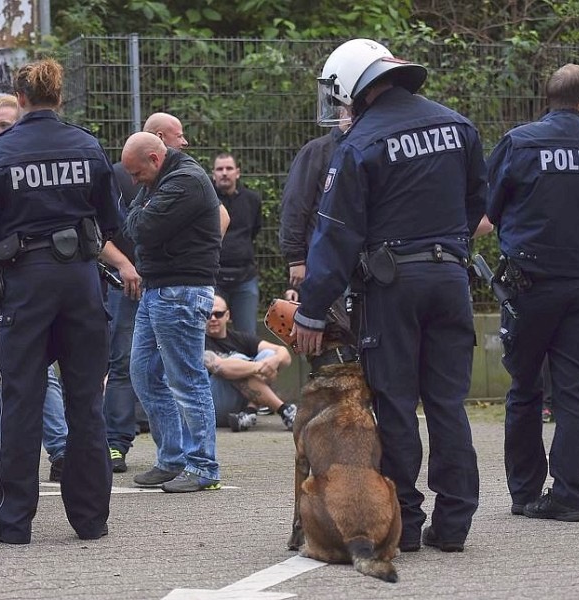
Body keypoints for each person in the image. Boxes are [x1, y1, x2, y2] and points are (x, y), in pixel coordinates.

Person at [293, 39, 485, 553]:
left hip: (392, 285)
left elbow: (335, 234)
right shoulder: (458, 126)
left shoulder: (361, 142)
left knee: (397, 402)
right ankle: (455, 523)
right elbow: (477, 203)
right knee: (448, 402)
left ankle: (404, 518)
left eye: (339, 96)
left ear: (356, 84)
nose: (339, 107)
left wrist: (312, 310)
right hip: (450, 278)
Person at [0, 58, 118, 544]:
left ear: (20, 99)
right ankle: (90, 521)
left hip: (26, 282)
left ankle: (13, 524)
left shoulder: (0, 150)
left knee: (21, 398)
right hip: (81, 281)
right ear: (59, 98)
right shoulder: (87, 145)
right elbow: (113, 220)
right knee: (85, 402)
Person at [487, 63, 579, 523]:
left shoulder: (519, 143)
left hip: (527, 287)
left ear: (548, 98)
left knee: (525, 387)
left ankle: (524, 492)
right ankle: (571, 496)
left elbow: (490, 209)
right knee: (573, 389)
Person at [0, 94, 69, 485]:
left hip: (31, 276)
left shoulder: (27, 158)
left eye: (2, 125)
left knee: (43, 366)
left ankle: (60, 451)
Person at [123, 131, 222, 493]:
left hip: (180, 291)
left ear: (154, 158)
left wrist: (141, 208)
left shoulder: (185, 181)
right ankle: (172, 458)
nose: (134, 182)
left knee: (187, 378)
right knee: (144, 374)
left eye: (136, 174)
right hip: (158, 289)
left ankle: (203, 466)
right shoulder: (161, 181)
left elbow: (142, 229)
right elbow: (135, 220)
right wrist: (142, 205)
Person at [102, 111, 199, 475]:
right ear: (158, 139)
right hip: (127, 282)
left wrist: (191, 257)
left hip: (168, 284)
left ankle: (193, 458)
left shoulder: (185, 178)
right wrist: (125, 266)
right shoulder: (119, 175)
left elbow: (218, 215)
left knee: (179, 372)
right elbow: (100, 231)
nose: (184, 143)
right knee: (130, 366)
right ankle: (117, 443)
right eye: (179, 135)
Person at [280, 106, 352, 300]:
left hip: (360, 261)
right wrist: (296, 260)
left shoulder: (367, 148)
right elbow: (295, 204)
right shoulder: (317, 150)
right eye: (350, 109)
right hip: (323, 261)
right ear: (341, 111)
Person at [204, 294, 294, 431]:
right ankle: (284, 410)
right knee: (235, 363)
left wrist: (273, 361)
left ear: (227, 316)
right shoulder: (199, 342)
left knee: (269, 355)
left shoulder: (239, 338)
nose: (213, 319)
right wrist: (258, 367)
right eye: (208, 315)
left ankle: (249, 412)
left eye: (218, 314)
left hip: (239, 402)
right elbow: (221, 367)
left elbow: (284, 354)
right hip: (213, 407)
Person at [212, 153, 262, 334]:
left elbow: (254, 230)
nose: (224, 173)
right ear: (213, 174)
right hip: (213, 278)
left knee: (247, 335)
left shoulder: (252, 200)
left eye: (229, 168)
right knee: (210, 334)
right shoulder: (205, 200)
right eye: (220, 169)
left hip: (245, 279)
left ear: (238, 173)